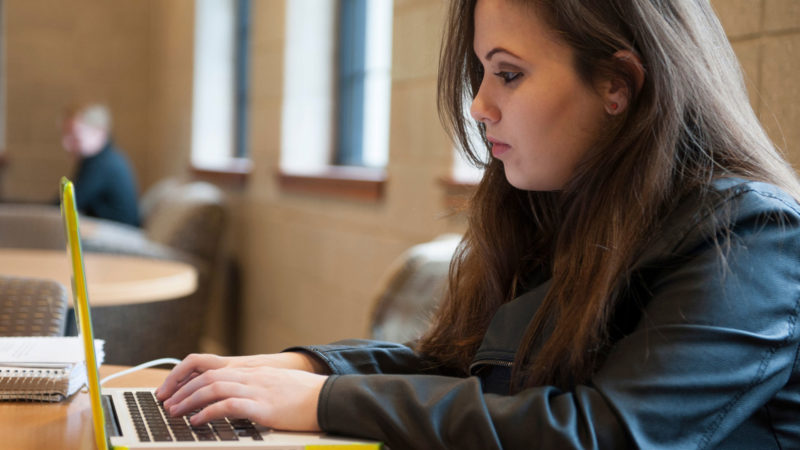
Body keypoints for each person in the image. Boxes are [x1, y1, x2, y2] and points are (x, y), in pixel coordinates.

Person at [156, 0, 800, 448]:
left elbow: (609, 433)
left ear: (618, 82)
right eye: (482, 72)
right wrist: (301, 368)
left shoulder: (755, 237)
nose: (479, 106)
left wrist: (319, 402)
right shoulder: (567, 208)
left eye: (509, 74)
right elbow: (459, 369)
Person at [61, 103, 140, 226]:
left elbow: (66, 205)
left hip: (117, 236)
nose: (66, 144)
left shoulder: (102, 165)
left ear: (99, 133)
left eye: (75, 137)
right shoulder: (105, 159)